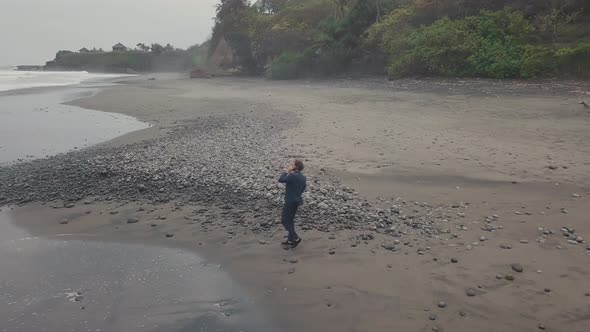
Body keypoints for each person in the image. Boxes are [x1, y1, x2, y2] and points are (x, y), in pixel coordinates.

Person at [278, 159, 306, 248]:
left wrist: (287, 171)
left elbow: (281, 179)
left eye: (292, 164)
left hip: (290, 201)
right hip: (297, 201)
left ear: (295, 167)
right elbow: (302, 189)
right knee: (290, 221)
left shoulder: (292, 175)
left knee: (284, 221)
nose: (290, 165)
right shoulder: (303, 177)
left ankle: (296, 238)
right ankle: (290, 240)